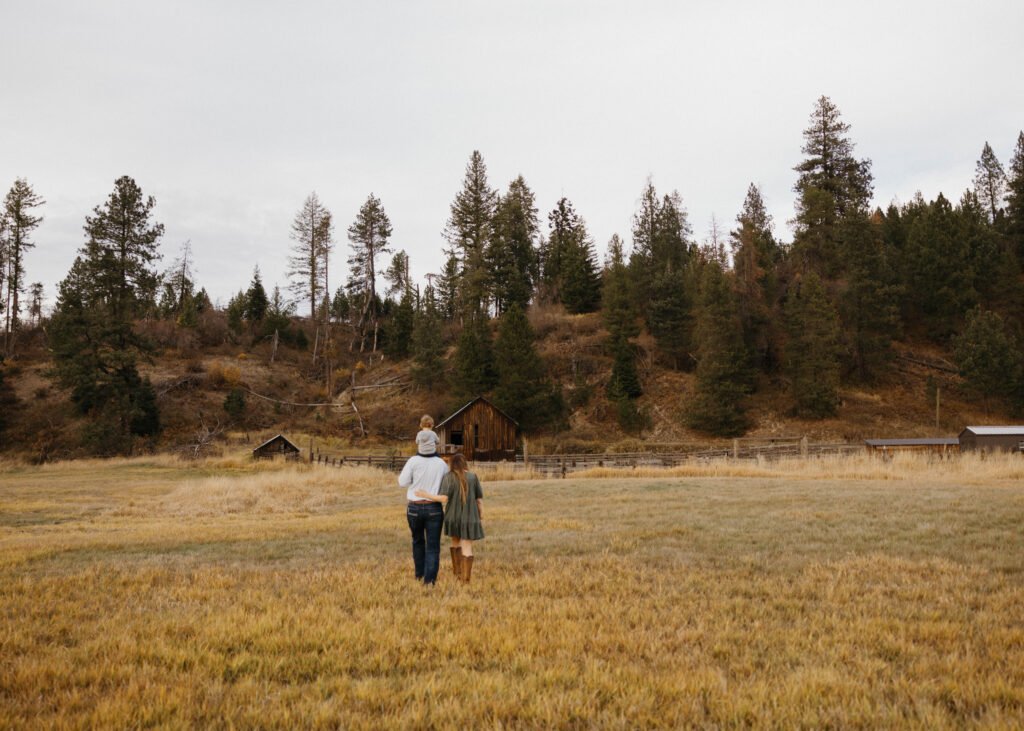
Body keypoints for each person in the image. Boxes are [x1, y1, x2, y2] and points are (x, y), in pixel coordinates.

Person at [414, 452, 484, 583]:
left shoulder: (448, 477)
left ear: (452, 464)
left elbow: (443, 498)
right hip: (470, 517)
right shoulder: (473, 477)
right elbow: (479, 500)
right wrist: (481, 515)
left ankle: (457, 574)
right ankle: (465, 581)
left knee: (455, 543)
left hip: (452, 517)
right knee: (467, 547)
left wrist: (425, 495)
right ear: (464, 463)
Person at [398, 449, 449, 585]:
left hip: (414, 507)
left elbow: (402, 482)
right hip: (434, 507)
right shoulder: (441, 463)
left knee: (417, 541)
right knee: (433, 545)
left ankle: (419, 575)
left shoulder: (413, 461)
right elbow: (446, 483)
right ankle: (430, 580)